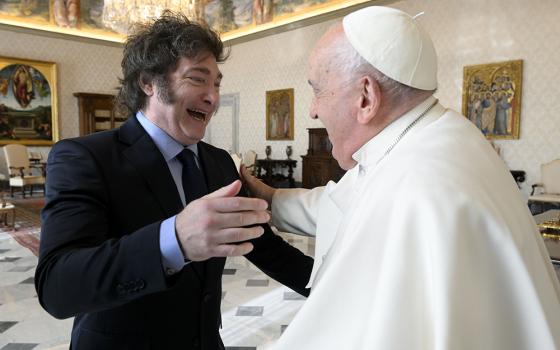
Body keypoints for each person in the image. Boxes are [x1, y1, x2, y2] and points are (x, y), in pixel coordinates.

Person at [241, 6, 560, 349]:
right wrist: (268, 197)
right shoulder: (435, 136)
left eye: (318, 90)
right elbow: (341, 205)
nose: (313, 110)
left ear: (366, 97)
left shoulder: (414, 183)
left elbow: (348, 332)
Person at [35, 11, 313, 350]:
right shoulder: (85, 158)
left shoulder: (220, 163)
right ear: (149, 82)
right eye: (198, 79)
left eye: (217, 83)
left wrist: (344, 288)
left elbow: (266, 250)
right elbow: (58, 286)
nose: (213, 98)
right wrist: (174, 240)